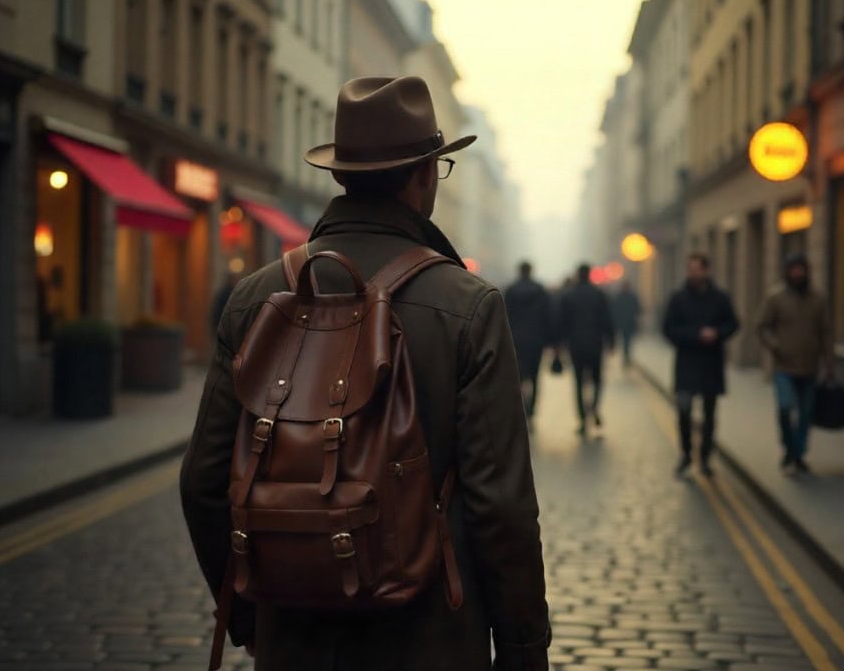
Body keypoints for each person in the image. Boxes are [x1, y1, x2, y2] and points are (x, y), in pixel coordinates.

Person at [180, 76, 550, 670]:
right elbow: (500, 505)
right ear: (427, 174)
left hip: (292, 636)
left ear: (340, 175)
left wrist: (250, 613)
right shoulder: (469, 305)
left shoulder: (254, 298)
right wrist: (523, 648)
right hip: (433, 637)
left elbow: (203, 481)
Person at [662, 253, 739, 477]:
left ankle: (705, 457)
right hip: (686, 363)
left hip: (710, 364)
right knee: (684, 411)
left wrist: (717, 333)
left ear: (706, 270)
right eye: (690, 269)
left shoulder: (720, 298)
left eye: (697, 269)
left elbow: (733, 323)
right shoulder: (678, 298)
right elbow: (668, 329)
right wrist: (696, 335)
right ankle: (686, 454)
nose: (693, 273)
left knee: (709, 414)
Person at [756, 253, 835, 475]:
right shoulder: (776, 298)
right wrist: (775, 345)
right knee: (784, 408)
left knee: (806, 414)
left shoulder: (818, 300)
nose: (798, 274)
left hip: (810, 367)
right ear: (787, 272)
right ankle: (788, 447)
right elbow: (762, 326)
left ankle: (798, 453)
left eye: (801, 269)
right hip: (784, 367)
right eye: (794, 269)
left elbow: (826, 333)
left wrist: (829, 363)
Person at [559, 263, 615, 436]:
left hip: (576, 345)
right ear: (590, 275)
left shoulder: (569, 295)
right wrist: (611, 341)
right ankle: (594, 407)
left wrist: (559, 343)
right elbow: (607, 319)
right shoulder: (599, 294)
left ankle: (583, 419)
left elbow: (562, 321)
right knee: (597, 379)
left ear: (577, 275)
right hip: (595, 344)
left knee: (578, 382)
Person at [504, 261, 554, 424]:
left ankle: (521, 407)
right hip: (536, 340)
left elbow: (503, 316)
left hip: (515, 340)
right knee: (535, 376)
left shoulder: (510, 291)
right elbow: (548, 316)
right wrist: (550, 340)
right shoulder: (540, 291)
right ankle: (532, 409)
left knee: (517, 377)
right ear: (531, 271)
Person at [612, 280, 642, 368]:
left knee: (627, 340)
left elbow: (637, 309)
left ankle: (626, 356)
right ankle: (626, 356)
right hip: (625, 323)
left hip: (628, 323)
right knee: (626, 340)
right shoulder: (622, 297)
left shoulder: (629, 297)